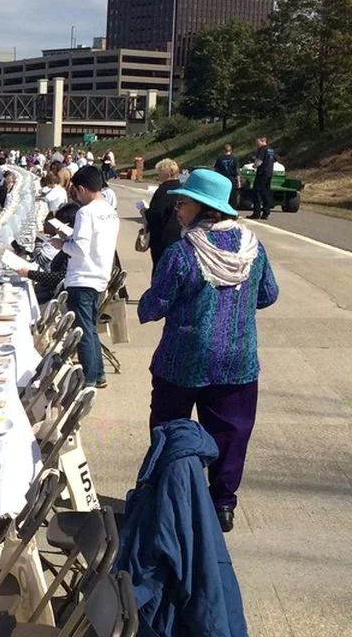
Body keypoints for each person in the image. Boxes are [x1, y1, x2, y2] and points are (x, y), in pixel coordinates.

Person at [137, 168, 279, 532]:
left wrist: (144, 306)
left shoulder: (183, 253)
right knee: (231, 433)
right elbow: (268, 294)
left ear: (204, 208)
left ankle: (168, 498)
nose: (177, 209)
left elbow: (155, 305)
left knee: (170, 429)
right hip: (237, 360)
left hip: (182, 359)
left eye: (182, 203)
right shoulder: (253, 249)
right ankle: (222, 504)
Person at [53, 166, 120, 389]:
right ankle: (98, 373)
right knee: (90, 327)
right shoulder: (110, 211)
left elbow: (80, 248)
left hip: (82, 276)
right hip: (100, 274)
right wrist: (70, 237)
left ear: (81, 189)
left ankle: (89, 377)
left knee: (83, 331)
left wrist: (62, 244)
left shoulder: (85, 212)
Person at [16, 202, 79, 303]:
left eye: (58, 227)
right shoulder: (69, 244)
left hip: (50, 293)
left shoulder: (73, 249)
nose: (57, 231)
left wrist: (29, 274)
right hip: (47, 286)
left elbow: (58, 276)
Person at [146, 158, 183, 277]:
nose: (158, 176)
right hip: (180, 234)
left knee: (160, 269)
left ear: (166, 174)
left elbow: (156, 214)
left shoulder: (163, 190)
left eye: (159, 173)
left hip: (162, 237)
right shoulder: (182, 188)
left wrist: (144, 212)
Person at [249, 136, 277, 220]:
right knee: (266, 193)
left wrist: (254, 166)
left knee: (257, 192)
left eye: (257, 142)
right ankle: (266, 212)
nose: (256, 144)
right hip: (269, 173)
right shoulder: (271, 150)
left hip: (262, 173)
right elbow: (275, 159)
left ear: (262, 141)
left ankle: (256, 213)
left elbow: (259, 161)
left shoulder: (262, 149)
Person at [213, 144, 241, 210]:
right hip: (231, 179)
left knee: (222, 195)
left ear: (223, 151)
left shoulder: (220, 159)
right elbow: (237, 171)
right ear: (231, 151)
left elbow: (216, 170)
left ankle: (222, 209)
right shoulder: (234, 159)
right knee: (232, 196)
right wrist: (239, 182)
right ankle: (232, 210)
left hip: (222, 179)